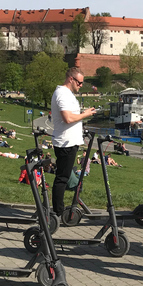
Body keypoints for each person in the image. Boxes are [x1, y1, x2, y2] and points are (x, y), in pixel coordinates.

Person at [51, 68, 96, 220]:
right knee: (62, 178)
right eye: (79, 82)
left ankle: (59, 210)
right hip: (65, 143)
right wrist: (86, 114)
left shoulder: (68, 94)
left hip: (70, 141)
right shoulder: (62, 94)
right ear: (71, 79)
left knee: (64, 177)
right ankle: (57, 212)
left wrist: (84, 113)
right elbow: (67, 118)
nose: (81, 85)